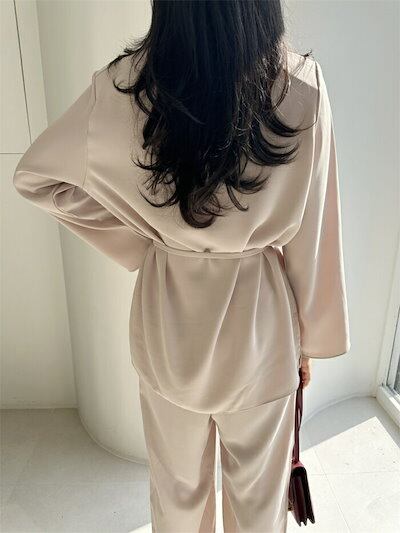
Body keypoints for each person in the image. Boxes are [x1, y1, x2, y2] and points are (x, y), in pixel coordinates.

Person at [12, 1, 351, 531]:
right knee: (259, 506)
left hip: (167, 323)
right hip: (260, 332)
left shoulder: (124, 87)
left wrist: (141, 243)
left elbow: (37, 176)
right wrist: (310, 338)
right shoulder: (301, 86)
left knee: (176, 498)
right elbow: (314, 232)